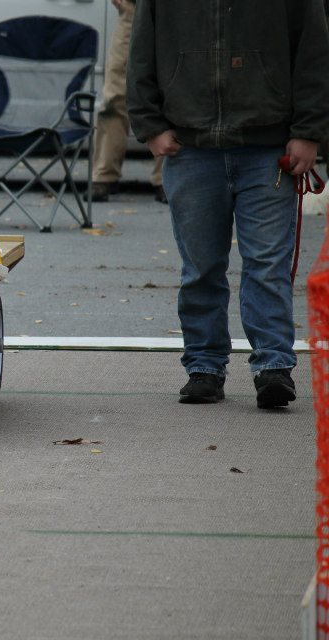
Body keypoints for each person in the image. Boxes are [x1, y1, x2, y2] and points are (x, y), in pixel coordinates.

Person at [127, 0, 329, 408]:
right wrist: (149, 125)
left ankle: (273, 366)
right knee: (200, 267)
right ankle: (204, 366)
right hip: (190, 147)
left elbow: (315, 54)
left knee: (268, 264)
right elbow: (141, 52)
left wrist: (309, 131)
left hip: (268, 147)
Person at [90, 0, 165, 204]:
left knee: (170, 94)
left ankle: (165, 178)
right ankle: (104, 175)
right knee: (114, 96)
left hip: (175, 12)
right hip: (133, 10)